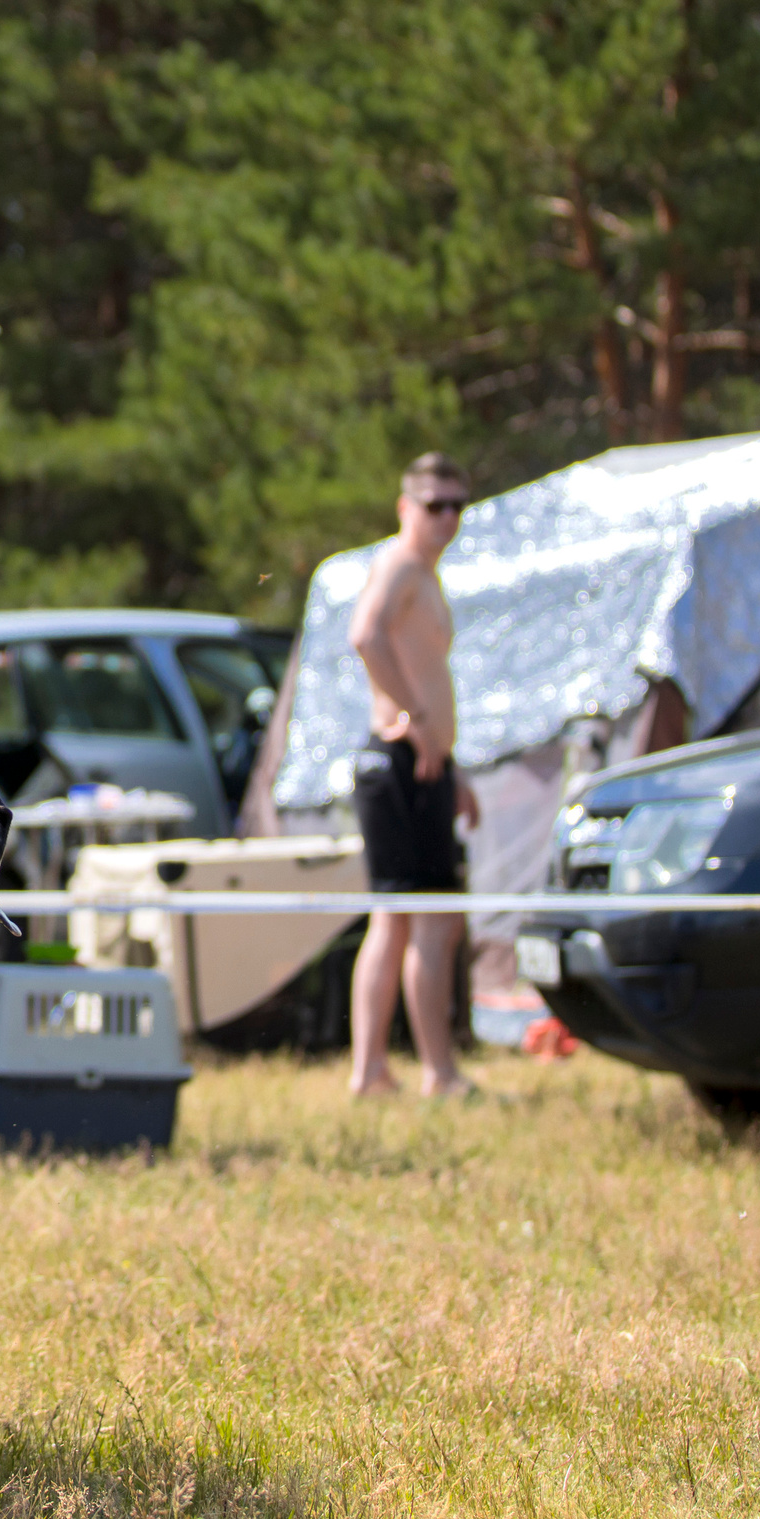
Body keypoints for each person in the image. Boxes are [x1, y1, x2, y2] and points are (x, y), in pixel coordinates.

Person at [344, 453, 480, 1099]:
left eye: (458, 505)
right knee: (429, 920)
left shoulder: (422, 571)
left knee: (401, 919)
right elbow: (364, 635)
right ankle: (438, 1072)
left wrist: (454, 767)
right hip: (400, 758)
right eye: (435, 505)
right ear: (406, 508)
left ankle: (374, 1071)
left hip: (417, 762)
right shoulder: (400, 563)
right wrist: (417, 717)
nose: (448, 518)